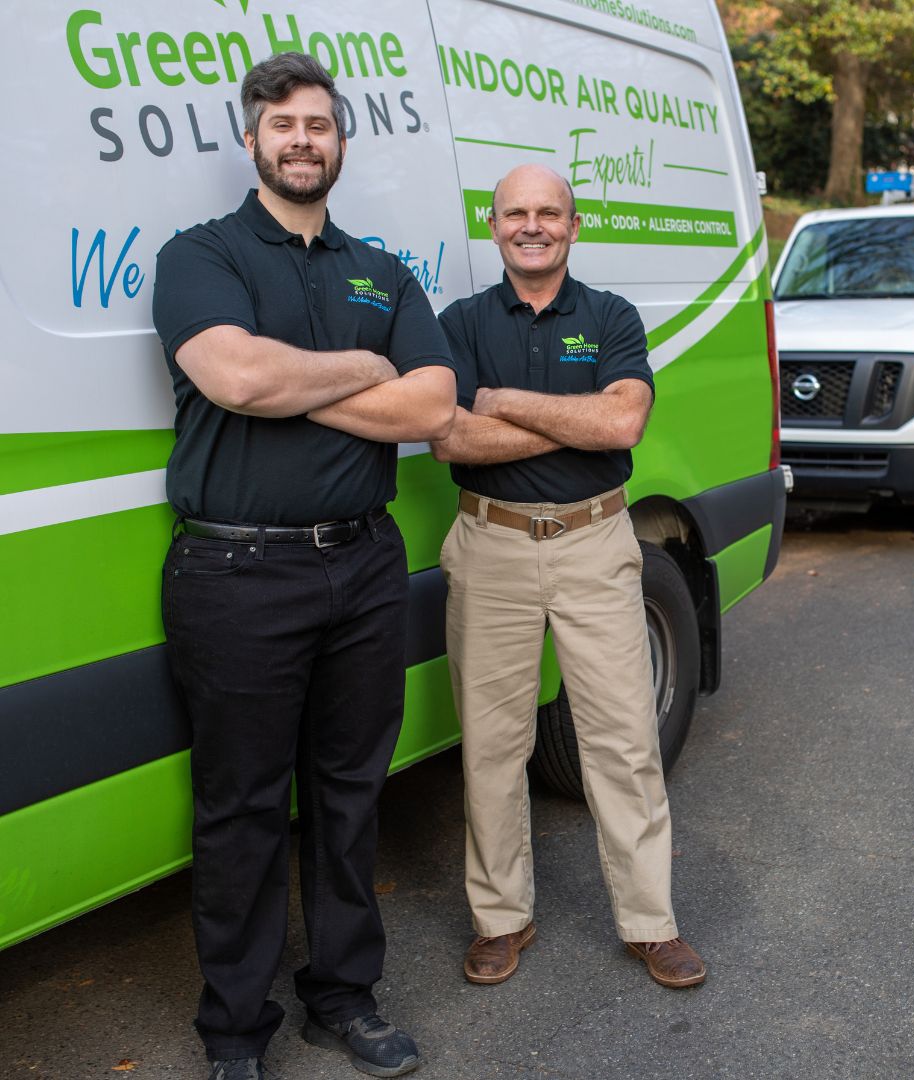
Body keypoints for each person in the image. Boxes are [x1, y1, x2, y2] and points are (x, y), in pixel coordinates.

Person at [152, 53, 456, 1080]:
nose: (300, 139)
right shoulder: (202, 255)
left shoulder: (381, 267)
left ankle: (342, 996)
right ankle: (236, 1033)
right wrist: (368, 366)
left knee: (347, 795)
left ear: (339, 142)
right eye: (282, 123)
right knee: (240, 810)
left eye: (318, 124)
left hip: (364, 566)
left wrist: (298, 383)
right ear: (251, 138)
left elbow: (432, 407)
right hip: (238, 576)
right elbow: (232, 372)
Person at [431, 164, 706, 990]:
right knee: (491, 746)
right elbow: (450, 438)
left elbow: (623, 418)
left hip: (595, 543)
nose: (533, 224)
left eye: (549, 211)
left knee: (623, 741)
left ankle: (651, 924)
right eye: (516, 211)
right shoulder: (461, 321)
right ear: (494, 225)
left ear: (574, 226)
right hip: (492, 547)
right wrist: (575, 421)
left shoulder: (610, 315)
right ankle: (501, 919)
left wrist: (504, 401)